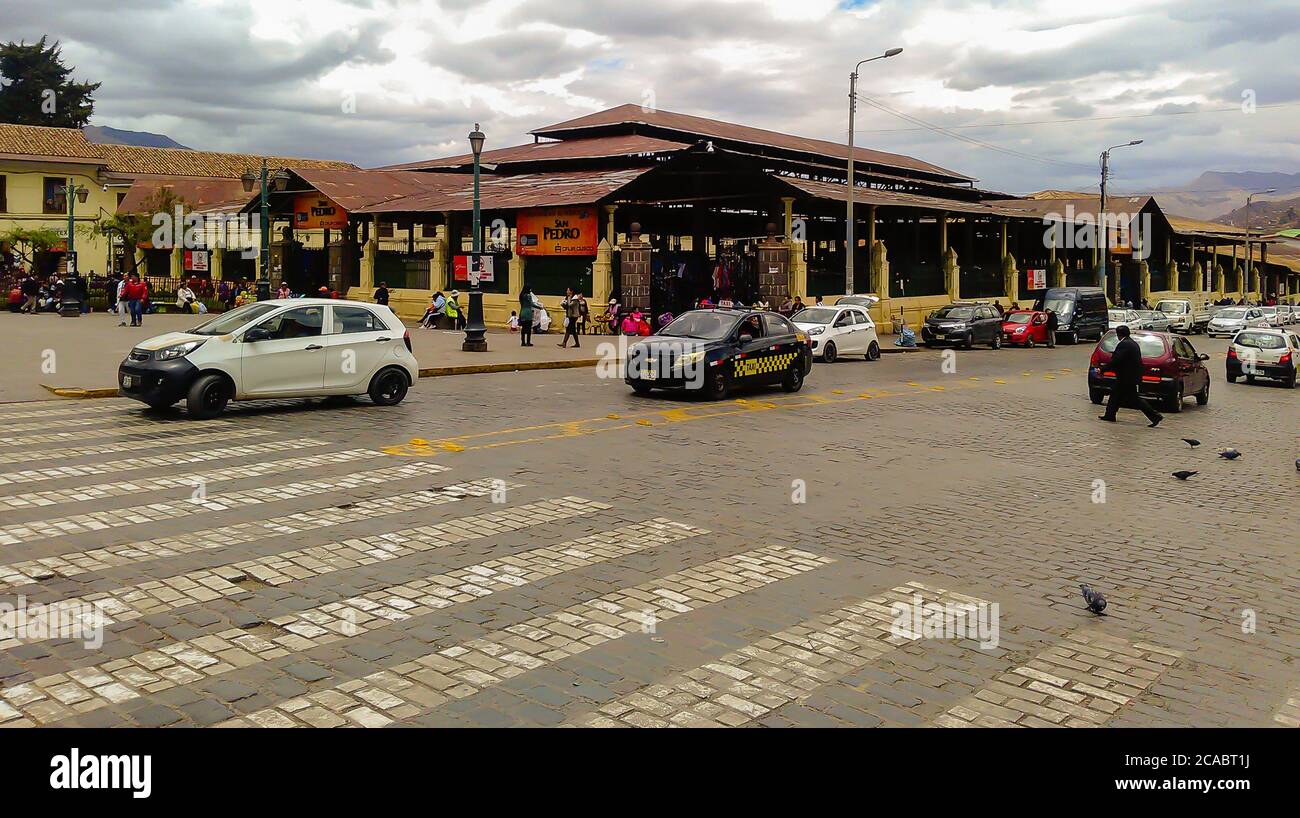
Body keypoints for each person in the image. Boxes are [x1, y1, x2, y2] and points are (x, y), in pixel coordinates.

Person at [1100, 325, 1163, 428]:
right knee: (1115, 396)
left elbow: (1116, 360)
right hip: (1129, 377)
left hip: (1126, 378)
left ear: (1119, 334)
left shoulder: (1124, 344)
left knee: (1134, 399)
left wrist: (1103, 369)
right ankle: (1109, 415)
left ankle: (1155, 416)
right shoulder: (1132, 343)